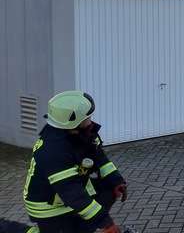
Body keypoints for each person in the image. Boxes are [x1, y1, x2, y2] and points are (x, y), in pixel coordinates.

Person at [23, 91, 129, 233]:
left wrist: (116, 181)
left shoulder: (83, 134)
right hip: (48, 207)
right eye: (87, 117)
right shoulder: (53, 150)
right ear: (73, 122)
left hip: (68, 194)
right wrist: (105, 222)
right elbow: (71, 191)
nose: (90, 121)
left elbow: (100, 159)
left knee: (108, 191)